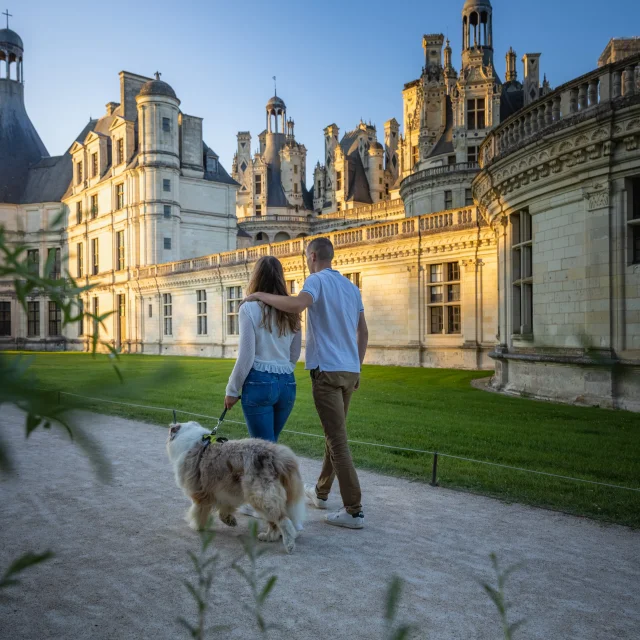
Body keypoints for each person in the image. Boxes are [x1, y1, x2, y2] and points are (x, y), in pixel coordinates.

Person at [243, 237, 368, 529]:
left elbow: (297, 305)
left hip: (326, 371)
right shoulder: (352, 287)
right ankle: (322, 493)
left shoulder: (316, 281)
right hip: (350, 371)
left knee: (337, 441)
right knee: (333, 433)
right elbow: (363, 333)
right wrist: (357, 367)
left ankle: (354, 510)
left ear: (312, 256)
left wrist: (261, 295)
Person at [224, 256, 302, 443]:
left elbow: (246, 356)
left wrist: (232, 390)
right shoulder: (292, 310)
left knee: (264, 451)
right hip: (287, 383)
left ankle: (275, 473)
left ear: (255, 277)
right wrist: (281, 369)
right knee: (270, 446)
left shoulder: (249, 308)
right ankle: (280, 473)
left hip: (259, 381)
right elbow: (294, 354)